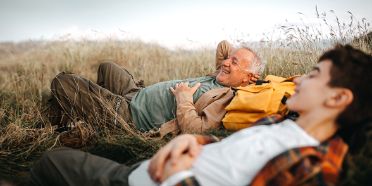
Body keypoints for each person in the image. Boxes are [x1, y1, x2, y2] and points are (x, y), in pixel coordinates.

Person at [30, 44, 372, 185]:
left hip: (131, 121)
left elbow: (201, 124)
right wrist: (197, 141)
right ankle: (79, 123)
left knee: (64, 86)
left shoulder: (311, 164)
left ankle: (80, 126)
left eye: (312, 75)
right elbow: (226, 143)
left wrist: (183, 103)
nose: (297, 80)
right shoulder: (279, 121)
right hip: (137, 96)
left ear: (339, 97)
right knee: (107, 67)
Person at [50, 41, 263, 136]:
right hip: (136, 95)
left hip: (131, 116)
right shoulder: (222, 75)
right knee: (108, 67)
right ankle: (90, 113)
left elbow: (196, 130)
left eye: (234, 62)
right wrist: (238, 57)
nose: (226, 63)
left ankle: (96, 120)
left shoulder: (227, 99)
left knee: (62, 82)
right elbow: (223, 46)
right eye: (229, 59)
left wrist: (184, 98)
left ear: (249, 78)